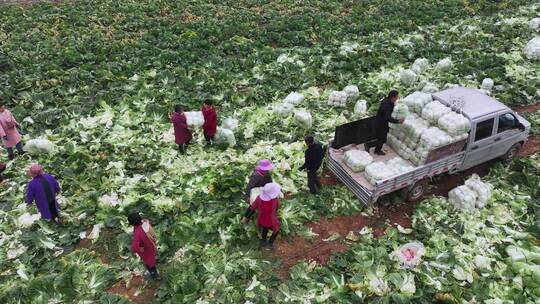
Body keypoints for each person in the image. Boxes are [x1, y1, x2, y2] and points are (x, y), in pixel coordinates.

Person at [242, 182, 281, 249]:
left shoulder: (259, 198)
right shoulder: (275, 200)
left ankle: (263, 241)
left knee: (264, 229)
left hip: (261, 219)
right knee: (276, 230)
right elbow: (277, 207)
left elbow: (252, 208)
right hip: (271, 219)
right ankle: (270, 243)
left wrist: (247, 217)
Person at [365, 90, 404, 155]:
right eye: (397, 97)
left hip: (379, 121)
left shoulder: (386, 100)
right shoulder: (387, 106)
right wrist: (398, 121)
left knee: (381, 138)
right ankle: (371, 147)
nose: (397, 98)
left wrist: (394, 105)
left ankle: (374, 148)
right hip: (381, 124)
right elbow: (388, 118)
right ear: (393, 97)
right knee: (382, 138)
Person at [128, 212, 159, 280]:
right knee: (151, 260)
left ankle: (154, 275)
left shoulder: (137, 233)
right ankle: (153, 272)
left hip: (146, 251)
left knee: (150, 264)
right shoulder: (145, 223)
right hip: (151, 246)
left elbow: (135, 247)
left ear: (132, 224)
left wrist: (140, 249)